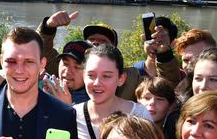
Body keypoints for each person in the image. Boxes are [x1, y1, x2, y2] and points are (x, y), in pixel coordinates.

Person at [35, 11, 179, 101]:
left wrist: (164, 54)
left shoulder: (129, 80)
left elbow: (164, 91)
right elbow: (38, 52)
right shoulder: (62, 70)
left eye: (103, 42)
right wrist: (48, 27)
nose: (96, 44)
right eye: (91, 40)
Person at [74, 44, 152, 139]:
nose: (97, 82)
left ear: (121, 79)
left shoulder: (139, 115)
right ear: (83, 75)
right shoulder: (72, 115)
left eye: (106, 76)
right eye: (91, 75)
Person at [132, 16, 181, 85]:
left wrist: (164, 55)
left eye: (161, 41)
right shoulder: (132, 73)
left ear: (173, 43)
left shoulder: (178, 76)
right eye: (152, 39)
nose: (155, 45)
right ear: (144, 39)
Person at [41, 40, 91, 105]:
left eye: (77, 67)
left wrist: (66, 107)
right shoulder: (45, 85)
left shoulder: (94, 102)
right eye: (65, 63)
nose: (67, 71)